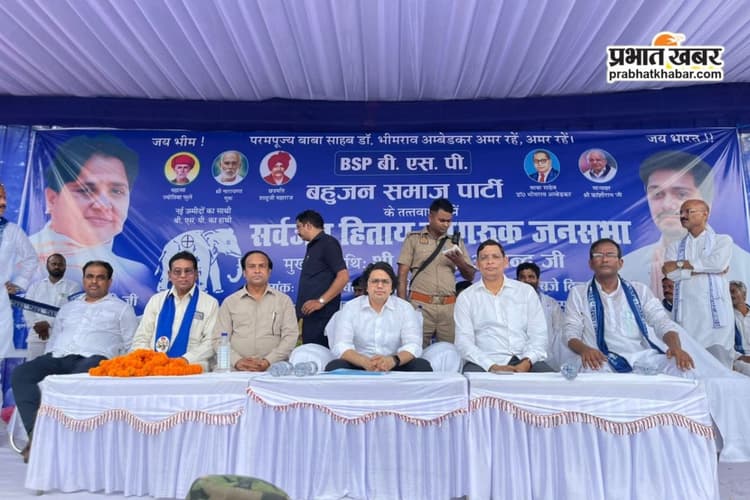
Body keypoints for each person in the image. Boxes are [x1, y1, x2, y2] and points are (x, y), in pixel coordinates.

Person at [11, 260, 137, 462]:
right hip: (58, 357)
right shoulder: (68, 308)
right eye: (90, 276)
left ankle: (68, 443)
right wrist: (47, 359)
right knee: (22, 374)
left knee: (75, 379)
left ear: (109, 282)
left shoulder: (122, 309)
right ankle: (37, 437)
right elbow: (54, 340)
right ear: (84, 279)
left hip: (95, 360)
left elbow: (132, 345)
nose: (94, 281)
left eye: (100, 277)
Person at [28, 134, 153, 307]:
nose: (102, 205)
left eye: (116, 191)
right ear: (51, 199)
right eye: (85, 190)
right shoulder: (20, 261)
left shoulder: (137, 274)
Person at [620, 150, 750, 298]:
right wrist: (706, 270)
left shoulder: (743, 262)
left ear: (706, 202)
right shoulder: (628, 267)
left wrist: (679, 266)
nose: (667, 205)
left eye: (681, 194)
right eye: (657, 194)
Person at [564, 238, 694, 374]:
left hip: (641, 358)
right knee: (591, 369)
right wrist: (585, 350)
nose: (604, 260)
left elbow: (662, 322)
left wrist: (676, 348)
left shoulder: (640, 290)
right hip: (601, 359)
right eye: (598, 255)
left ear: (620, 263)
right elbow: (571, 332)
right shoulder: (578, 293)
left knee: (681, 367)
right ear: (591, 264)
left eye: (610, 255)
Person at [454, 240, 549, 373]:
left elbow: (539, 335)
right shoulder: (466, 297)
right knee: (471, 382)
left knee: (553, 382)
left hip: (525, 359)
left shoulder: (526, 292)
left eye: (495, 257)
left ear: (505, 262)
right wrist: (491, 366)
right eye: (484, 258)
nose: (490, 262)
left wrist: (527, 362)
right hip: (484, 362)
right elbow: (463, 342)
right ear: (477, 264)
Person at [663, 199, 734, 367]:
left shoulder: (722, 240)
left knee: (720, 367)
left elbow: (718, 264)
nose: (683, 216)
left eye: (689, 211)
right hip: (687, 316)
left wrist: (680, 264)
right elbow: (670, 274)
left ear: (705, 214)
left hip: (715, 319)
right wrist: (708, 268)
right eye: (681, 212)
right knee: (690, 367)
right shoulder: (674, 246)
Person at [397, 198, 476, 346]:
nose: (446, 225)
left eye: (449, 221)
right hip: (420, 306)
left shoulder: (455, 242)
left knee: (451, 352)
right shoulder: (413, 239)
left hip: (448, 308)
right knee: (414, 350)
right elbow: (402, 275)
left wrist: (459, 261)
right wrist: (402, 307)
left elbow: (470, 276)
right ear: (430, 217)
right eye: (442, 220)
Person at [326, 262, 431, 372]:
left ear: (392, 288)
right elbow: (341, 345)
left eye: (385, 282)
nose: (380, 286)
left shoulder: (405, 308)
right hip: (359, 363)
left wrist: (392, 361)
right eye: (375, 281)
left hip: (394, 363)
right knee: (334, 367)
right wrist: (364, 362)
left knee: (422, 366)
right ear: (366, 286)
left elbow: (413, 345)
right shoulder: (350, 308)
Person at [131, 251, 218, 371]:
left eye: (188, 271)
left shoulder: (210, 303)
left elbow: (211, 342)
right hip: (154, 368)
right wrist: (151, 360)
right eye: (177, 272)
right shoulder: (156, 300)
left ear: (196, 274)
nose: (183, 276)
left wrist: (185, 360)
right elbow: (141, 338)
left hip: (191, 368)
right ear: (169, 275)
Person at [213, 250, 298, 371]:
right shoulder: (230, 302)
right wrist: (237, 361)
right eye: (252, 266)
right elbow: (218, 339)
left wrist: (268, 361)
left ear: (269, 272)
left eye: (262, 266)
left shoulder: (284, 301)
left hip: (273, 368)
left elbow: (290, 336)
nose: (257, 270)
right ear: (244, 272)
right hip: (235, 368)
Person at [295, 210, 349, 346]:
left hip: (322, 316)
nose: (297, 232)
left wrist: (321, 301)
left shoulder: (328, 243)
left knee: (320, 354)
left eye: (299, 227)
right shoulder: (313, 246)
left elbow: (343, 276)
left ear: (308, 225)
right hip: (310, 315)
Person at [0, 182, 38, 360]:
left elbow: (31, 258)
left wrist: (18, 283)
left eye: (4, 198)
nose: (3, 202)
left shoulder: (12, 231)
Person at [22, 254, 81, 360]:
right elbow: (27, 309)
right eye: (54, 264)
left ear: (65, 267)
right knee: (33, 367)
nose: (57, 266)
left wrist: (48, 323)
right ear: (47, 265)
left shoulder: (73, 287)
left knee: (56, 368)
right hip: (37, 335)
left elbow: (71, 312)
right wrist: (36, 324)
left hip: (61, 337)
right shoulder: (35, 286)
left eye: (60, 264)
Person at [516, 261, 568, 370]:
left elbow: (560, 334)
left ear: (538, 280)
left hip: (545, 358)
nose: (527, 280)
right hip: (516, 359)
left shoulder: (551, 304)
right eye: (522, 277)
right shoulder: (509, 303)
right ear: (517, 281)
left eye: (531, 277)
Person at [730, 280, 750, 376]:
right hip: (740, 359)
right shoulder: (728, 316)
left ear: (744, 294)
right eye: (728, 293)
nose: (730, 295)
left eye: (733, 291)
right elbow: (725, 344)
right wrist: (741, 357)